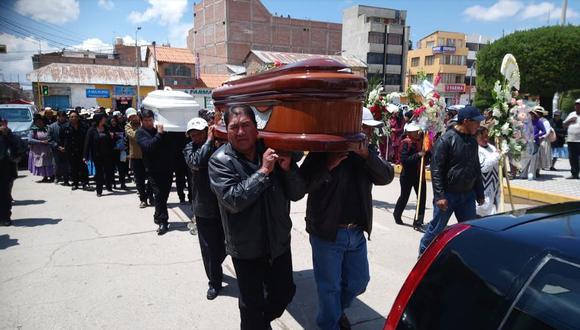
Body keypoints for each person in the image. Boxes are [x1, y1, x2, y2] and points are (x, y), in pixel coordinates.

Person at [208, 105, 305, 330]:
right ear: (227, 130)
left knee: (284, 294)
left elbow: (298, 193)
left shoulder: (275, 151)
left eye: (245, 125)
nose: (240, 132)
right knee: (252, 304)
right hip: (246, 248)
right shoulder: (220, 161)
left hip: (278, 243)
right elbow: (233, 200)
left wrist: (288, 168)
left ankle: (258, 323)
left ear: (256, 128)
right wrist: (263, 172)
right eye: (234, 127)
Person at [299, 107, 394, 330]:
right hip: (327, 233)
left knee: (358, 282)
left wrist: (367, 156)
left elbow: (387, 176)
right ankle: (329, 323)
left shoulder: (367, 153)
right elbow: (301, 185)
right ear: (354, 129)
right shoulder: (323, 150)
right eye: (366, 130)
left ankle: (335, 311)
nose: (369, 135)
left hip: (356, 232)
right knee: (329, 287)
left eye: (370, 131)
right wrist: (327, 166)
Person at [419, 106, 485, 255]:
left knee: (467, 230)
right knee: (436, 229)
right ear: (466, 121)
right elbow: (436, 171)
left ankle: (463, 259)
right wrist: (440, 196)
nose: (479, 125)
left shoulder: (473, 142)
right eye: (476, 122)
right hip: (448, 196)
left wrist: (479, 192)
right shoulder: (446, 140)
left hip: (467, 195)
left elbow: (476, 168)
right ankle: (422, 256)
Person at [183, 117, 226, 301]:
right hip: (204, 208)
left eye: (199, 133)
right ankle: (214, 282)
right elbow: (197, 161)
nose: (195, 137)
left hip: (224, 206)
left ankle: (216, 266)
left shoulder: (218, 146)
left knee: (224, 247)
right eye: (192, 134)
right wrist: (208, 141)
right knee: (208, 249)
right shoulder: (189, 149)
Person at [137, 109, 175, 235]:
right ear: (141, 121)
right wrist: (159, 135)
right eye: (146, 120)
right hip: (153, 170)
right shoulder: (140, 133)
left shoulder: (160, 130)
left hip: (167, 168)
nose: (149, 123)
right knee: (158, 195)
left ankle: (158, 214)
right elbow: (149, 147)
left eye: (150, 120)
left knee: (164, 195)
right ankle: (162, 221)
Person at [393, 122, 428, 229]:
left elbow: (427, 156)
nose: (418, 133)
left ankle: (418, 222)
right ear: (409, 133)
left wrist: (427, 152)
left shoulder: (423, 141)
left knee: (422, 198)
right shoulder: (405, 143)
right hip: (407, 175)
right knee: (404, 197)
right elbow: (404, 160)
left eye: (418, 131)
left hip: (419, 175)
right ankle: (397, 214)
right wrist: (418, 155)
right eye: (415, 131)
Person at [1, 117, 26, 226]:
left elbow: (19, 148)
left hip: (5, 169)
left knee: (4, 195)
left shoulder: (10, 136)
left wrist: (7, 135)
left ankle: (5, 217)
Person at [84, 113, 115, 197]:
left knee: (108, 171)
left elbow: (110, 141)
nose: (105, 120)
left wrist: (112, 137)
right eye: (103, 118)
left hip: (107, 154)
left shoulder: (106, 128)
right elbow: (87, 143)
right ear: (99, 119)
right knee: (99, 173)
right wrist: (85, 156)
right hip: (97, 155)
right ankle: (99, 190)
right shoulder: (91, 130)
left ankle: (109, 186)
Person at [125, 108, 150, 208]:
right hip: (136, 156)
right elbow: (135, 136)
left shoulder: (143, 123)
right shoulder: (128, 126)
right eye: (131, 117)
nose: (133, 118)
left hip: (147, 155)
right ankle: (143, 199)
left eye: (134, 115)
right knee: (139, 180)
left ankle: (150, 195)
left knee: (151, 178)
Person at [475, 126, 501, 217]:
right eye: (482, 137)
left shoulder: (492, 148)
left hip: (494, 187)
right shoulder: (476, 150)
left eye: (487, 136)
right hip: (483, 188)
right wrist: (496, 156)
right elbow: (483, 168)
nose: (485, 139)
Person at [62, 110, 88, 190]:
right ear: (69, 118)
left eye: (75, 116)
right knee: (73, 168)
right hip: (71, 151)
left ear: (78, 117)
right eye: (72, 117)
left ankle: (85, 183)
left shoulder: (84, 126)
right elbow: (61, 138)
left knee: (83, 168)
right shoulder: (65, 127)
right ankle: (75, 183)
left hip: (82, 150)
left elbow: (87, 139)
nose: (74, 118)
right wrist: (62, 147)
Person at [520, 110, 546, 180]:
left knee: (533, 159)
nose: (530, 115)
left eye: (531, 114)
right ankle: (524, 174)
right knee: (526, 158)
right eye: (529, 114)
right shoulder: (526, 122)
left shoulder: (538, 122)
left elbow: (544, 131)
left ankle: (531, 175)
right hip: (527, 142)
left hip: (535, 142)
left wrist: (536, 135)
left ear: (534, 115)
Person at [28, 114, 55, 182]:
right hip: (38, 150)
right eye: (37, 121)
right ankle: (45, 176)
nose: (39, 123)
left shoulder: (47, 128)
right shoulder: (33, 130)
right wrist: (40, 142)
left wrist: (49, 141)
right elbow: (29, 140)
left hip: (48, 149)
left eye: (40, 121)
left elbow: (52, 135)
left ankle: (52, 176)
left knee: (50, 163)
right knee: (42, 163)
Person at [48, 110, 70, 185]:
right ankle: (57, 177)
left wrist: (66, 147)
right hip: (56, 149)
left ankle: (66, 179)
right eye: (59, 117)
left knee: (66, 164)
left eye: (63, 117)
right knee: (56, 164)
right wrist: (57, 146)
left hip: (67, 148)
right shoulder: (51, 127)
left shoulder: (69, 125)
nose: (61, 118)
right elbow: (49, 139)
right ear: (57, 117)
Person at [563, 99, 580, 179]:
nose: (577, 106)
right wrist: (570, 120)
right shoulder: (572, 114)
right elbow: (564, 125)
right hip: (571, 140)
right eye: (576, 105)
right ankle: (574, 174)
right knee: (572, 158)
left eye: (578, 105)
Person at [110, 116, 128, 190]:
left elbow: (124, 138)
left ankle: (122, 183)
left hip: (120, 151)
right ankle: (112, 183)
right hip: (111, 152)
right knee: (111, 169)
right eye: (112, 121)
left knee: (121, 168)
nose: (113, 122)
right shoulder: (108, 129)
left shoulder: (120, 129)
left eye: (115, 121)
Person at [535, 106, 552, 173]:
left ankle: (537, 170)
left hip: (542, 140)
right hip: (534, 139)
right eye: (536, 112)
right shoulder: (533, 120)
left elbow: (547, 131)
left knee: (541, 155)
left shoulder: (545, 121)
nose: (537, 113)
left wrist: (541, 137)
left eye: (539, 112)